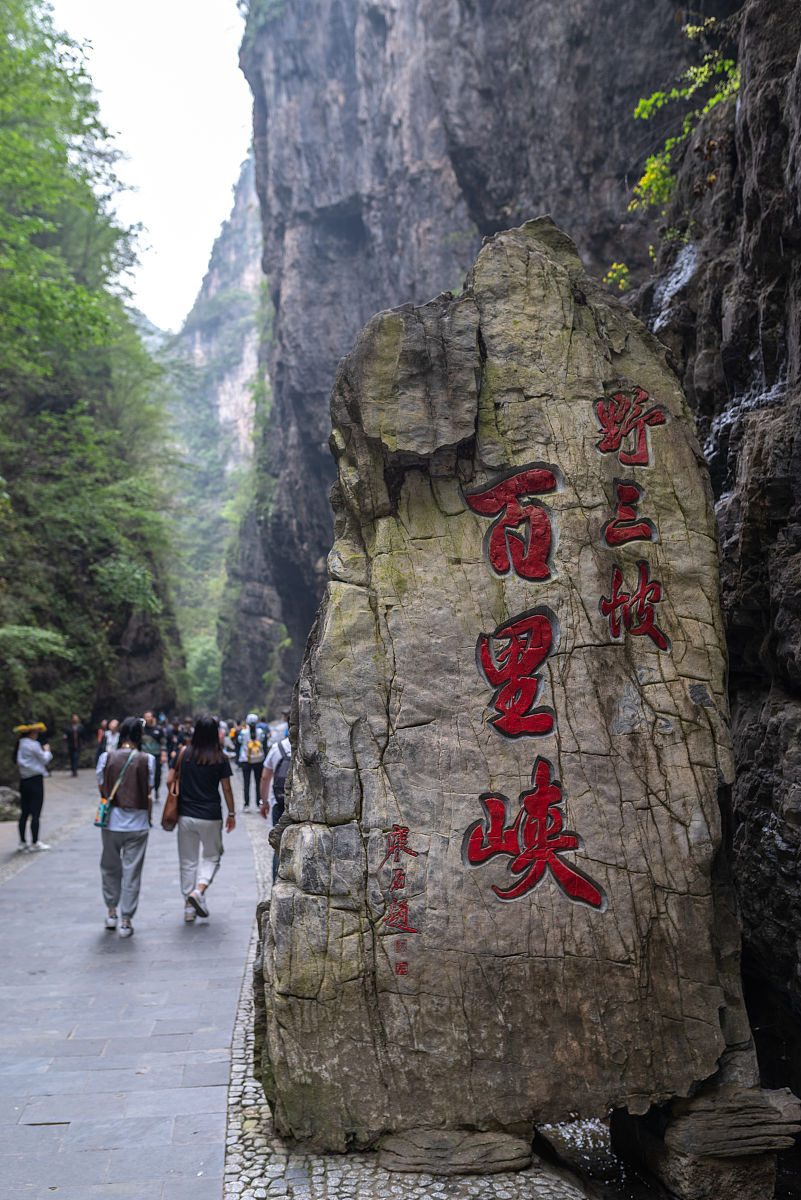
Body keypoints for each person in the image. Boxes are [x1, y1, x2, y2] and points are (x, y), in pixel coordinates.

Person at [167, 714, 235, 923]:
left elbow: (170, 780)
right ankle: (199, 890)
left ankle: (188, 907)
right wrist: (231, 813)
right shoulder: (220, 758)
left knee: (187, 861)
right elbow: (226, 788)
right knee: (212, 856)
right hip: (211, 815)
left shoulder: (183, 754)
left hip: (186, 815)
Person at [96, 716, 153, 938]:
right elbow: (148, 788)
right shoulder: (147, 759)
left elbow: (102, 787)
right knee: (132, 872)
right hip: (138, 823)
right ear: (139, 735)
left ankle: (111, 912)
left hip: (111, 823)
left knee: (110, 868)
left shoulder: (106, 757)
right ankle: (127, 919)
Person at [14, 722, 52, 851]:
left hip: (24, 780)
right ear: (31, 733)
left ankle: (22, 841)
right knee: (35, 812)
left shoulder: (20, 743)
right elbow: (44, 759)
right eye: (36, 733)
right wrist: (47, 751)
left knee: (24, 812)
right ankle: (35, 841)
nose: (37, 735)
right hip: (35, 780)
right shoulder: (33, 745)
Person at [259, 729, 291, 880]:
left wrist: (264, 802)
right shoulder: (307, 745)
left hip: (279, 802)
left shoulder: (277, 748)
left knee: (279, 846)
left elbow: (265, 777)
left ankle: (276, 883)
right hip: (303, 805)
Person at [236, 714, 265, 811]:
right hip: (258, 760)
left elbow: (239, 741)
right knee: (258, 783)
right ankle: (258, 804)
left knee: (246, 783)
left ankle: (246, 805)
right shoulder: (260, 732)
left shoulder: (243, 732)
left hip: (246, 760)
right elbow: (263, 739)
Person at [141, 711, 165, 799]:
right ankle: (145, 791)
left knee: (157, 774)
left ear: (152, 718)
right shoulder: (141, 730)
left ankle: (156, 789)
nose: (147, 718)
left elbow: (163, 743)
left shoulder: (158, 730)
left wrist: (163, 754)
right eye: (146, 717)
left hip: (156, 755)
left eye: (149, 717)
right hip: (144, 756)